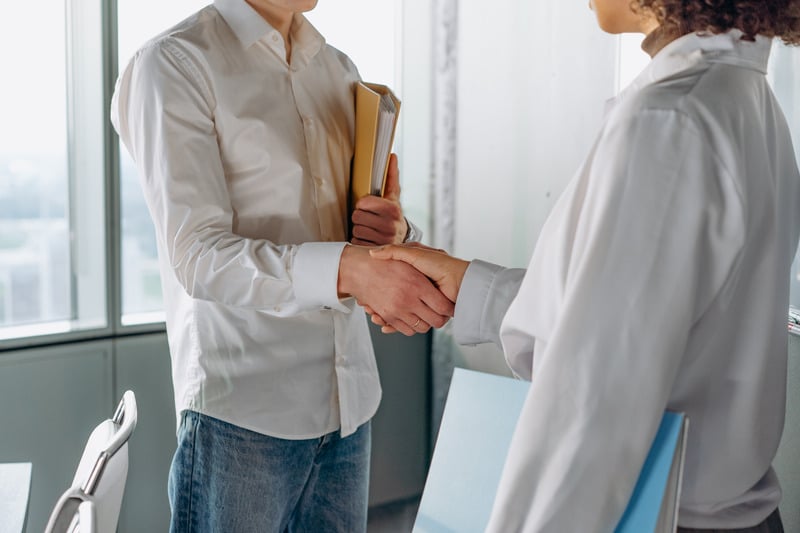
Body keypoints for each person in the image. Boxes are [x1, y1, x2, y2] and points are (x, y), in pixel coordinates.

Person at [370, 0, 800, 531]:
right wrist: (469, 285)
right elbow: (639, 322)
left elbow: (594, 407)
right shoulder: (740, 97)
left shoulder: (670, 120)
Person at [110, 0, 453, 531]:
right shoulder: (174, 64)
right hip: (243, 417)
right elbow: (199, 256)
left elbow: (353, 231)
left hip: (347, 407)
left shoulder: (337, 69)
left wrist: (392, 233)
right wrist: (350, 269)